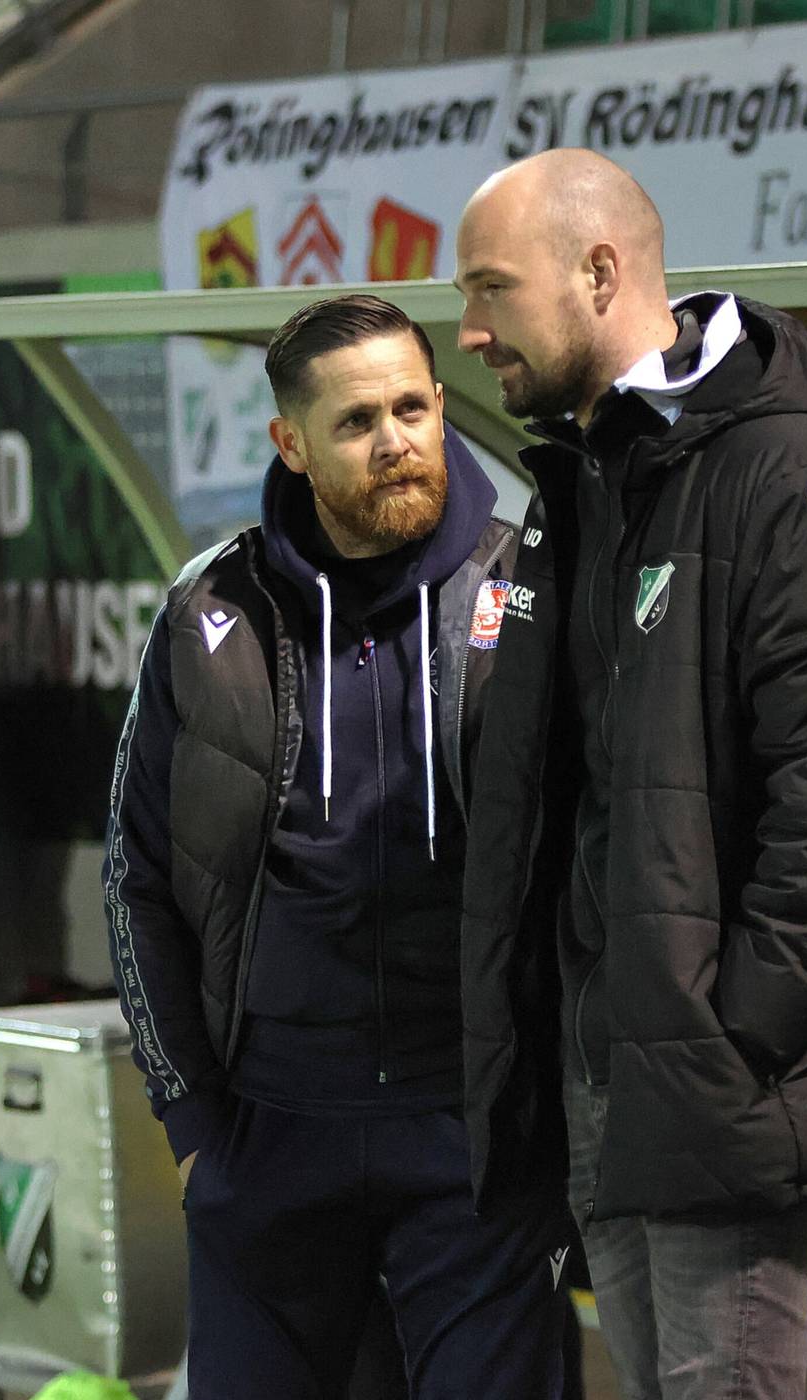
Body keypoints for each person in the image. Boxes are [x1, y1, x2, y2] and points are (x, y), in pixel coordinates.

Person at [450, 149, 807, 1399]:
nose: (469, 331)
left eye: (492, 288)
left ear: (599, 271)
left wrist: (740, 1026)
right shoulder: (585, 480)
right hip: (608, 1068)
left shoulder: (787, 469)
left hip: (715, 1075)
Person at [104, 294, 564, 1399]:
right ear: (292, 443)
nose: (395, 439)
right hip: (269, 1133)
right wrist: (194, 1121)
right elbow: (136, 877)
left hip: (473, 1132)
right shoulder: (210, 612)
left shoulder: (530, 589)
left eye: (412, 408)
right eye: (356, 421)